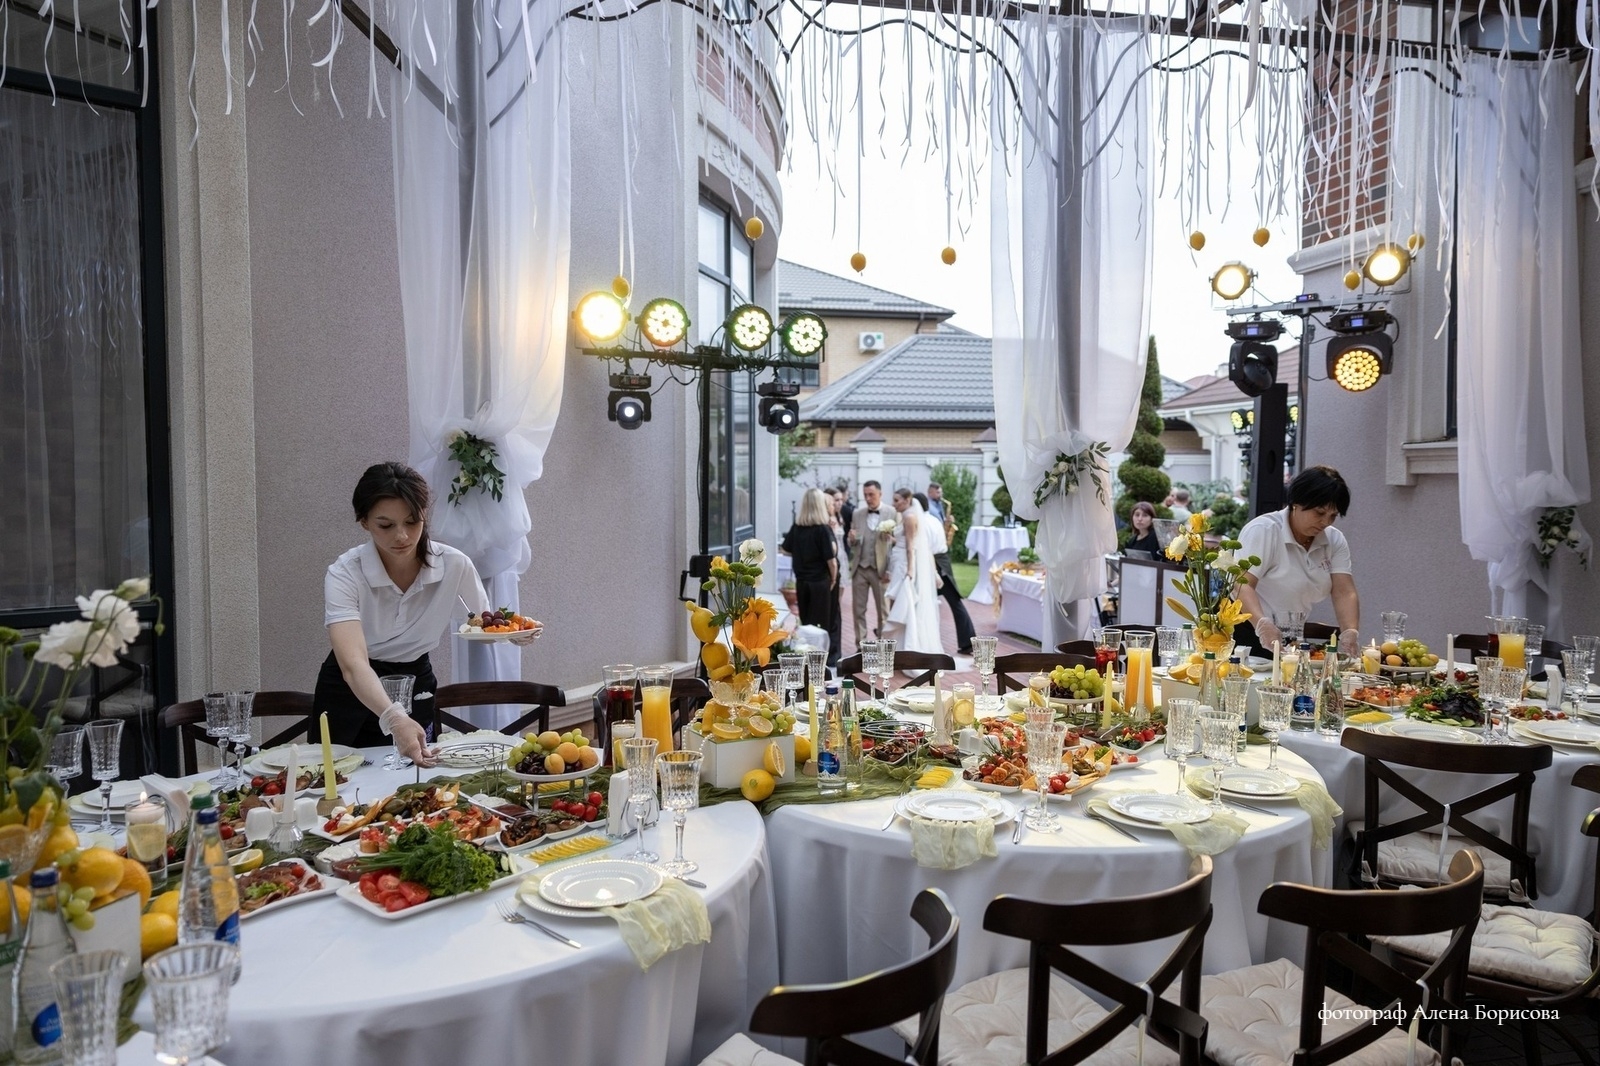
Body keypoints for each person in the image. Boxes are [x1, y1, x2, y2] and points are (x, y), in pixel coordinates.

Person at [315, 462, 536, 766]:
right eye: (386, 525)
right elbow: (352, 664)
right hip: (351, 688)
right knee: (336, 778)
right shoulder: (345, 574)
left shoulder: (454, 565)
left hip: (415, 678)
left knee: (416, 779)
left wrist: (514, 632)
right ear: (364, 522)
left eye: (412, 521)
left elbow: (481, 626)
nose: (402, 536)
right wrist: (394, 717)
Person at [1234, 465, 1361, 657]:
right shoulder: (1264, 530)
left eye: (1333, 516)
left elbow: (1344, 592)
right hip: (1248, 630)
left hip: (1291, 634)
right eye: (1319, 513)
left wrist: (1350, 630)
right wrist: (1262, 624)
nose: (1326, 522)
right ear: (1296, 503)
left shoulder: (1334, 539)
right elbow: (1242, 584)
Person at [781, 488, 842, 668]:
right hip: (820, 582)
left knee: (806, 622)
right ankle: (823, 662)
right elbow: (832, 561)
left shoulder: (797, 528)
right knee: (823, 624)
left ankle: (807, 659)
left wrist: (802, 554)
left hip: (802, 581)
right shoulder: (822, 529)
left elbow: (785, 549)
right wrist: (833, 579)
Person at [883, 488, 943, 655]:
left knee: (904, 602)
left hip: (904, 564)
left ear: (907, 500)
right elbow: (904, 541)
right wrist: (892, 539)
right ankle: (898, 643)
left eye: (897, 500)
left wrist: (909, 569)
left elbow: (911, 546)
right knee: (898, 600)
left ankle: (907, 645)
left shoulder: (910, 517)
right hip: (898, 561)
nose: (894, 504)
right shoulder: (905, 516)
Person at [915, 492, 974, 654]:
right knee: (955, 602)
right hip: (943, 560)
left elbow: (925, 549)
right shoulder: (934, 520)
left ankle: (923, 641)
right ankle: (968, 640)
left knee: (924, 601)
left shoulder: (921, 523)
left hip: (933, 563)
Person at [847, 481, 890, 646]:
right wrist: (851, 539)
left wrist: (890, 570)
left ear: (880, 494)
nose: (868, 498)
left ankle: (883, 644)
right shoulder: (857, 514)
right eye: (865, 495)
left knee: (883, 610)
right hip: (860, 567)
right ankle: (861, 645)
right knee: (858, 609)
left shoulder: (892, 513)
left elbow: (897, 545)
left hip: (881, 569)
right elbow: (853, 541)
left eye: (871, 494)